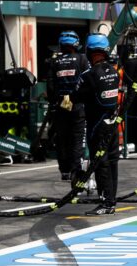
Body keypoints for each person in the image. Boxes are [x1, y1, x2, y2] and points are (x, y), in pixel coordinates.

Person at [71, 33, 120, 215]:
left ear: (89, 51)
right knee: (113, 162)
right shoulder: (114, 72)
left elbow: (75, 96)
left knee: (101, 163)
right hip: (113, 123)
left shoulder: (88, 75)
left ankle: (106, 203)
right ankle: (111, 200)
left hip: (97, 126)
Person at [47, 31, 89, 181]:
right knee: (78, 138)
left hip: (61, 104)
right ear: (76, 44)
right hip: (78, 103)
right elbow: (87, 80)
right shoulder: (82, 59)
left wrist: (56, 101)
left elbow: (50, 88)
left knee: (62, 138)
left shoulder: (54, 62)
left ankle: (64, 171)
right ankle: (75, 170)